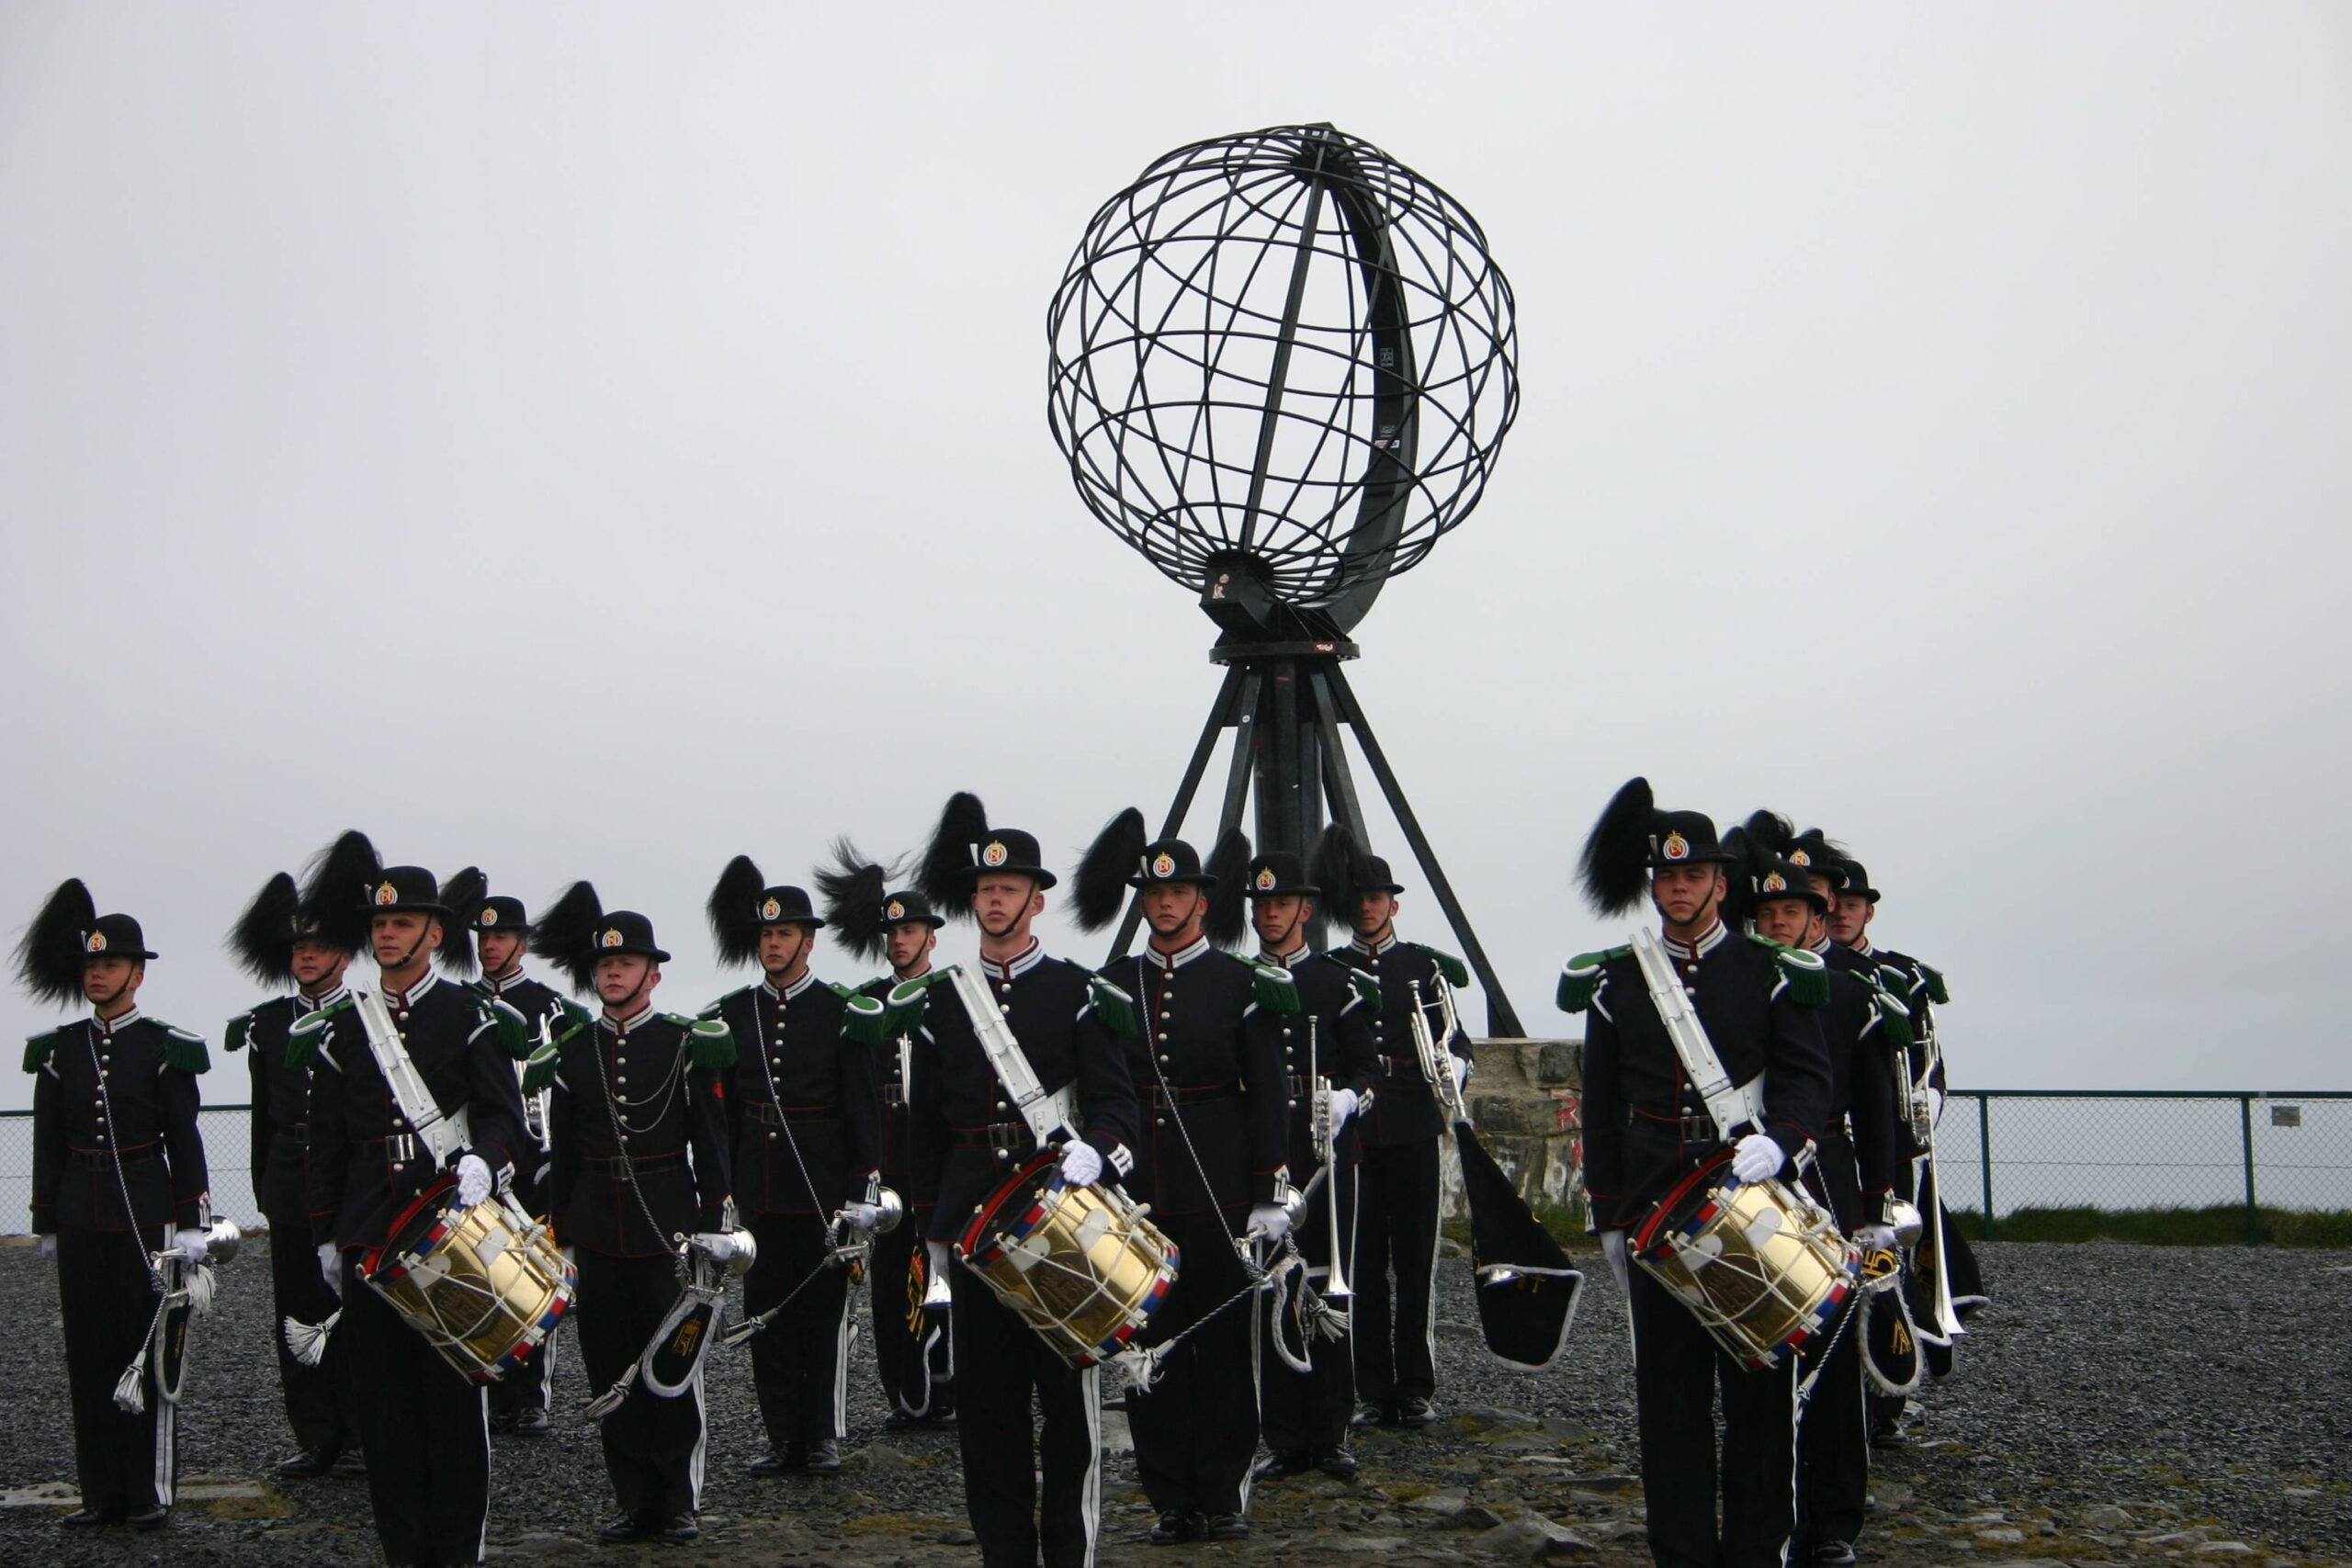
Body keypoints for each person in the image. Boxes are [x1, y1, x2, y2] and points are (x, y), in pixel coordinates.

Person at [1559, 779, 1833, 1568]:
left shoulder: (1771, 970)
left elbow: (1809, 1077)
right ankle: (1680, 1552)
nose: (1679, 889)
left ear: (1719, 881)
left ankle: (1757, 1549)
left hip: (1749, 1197)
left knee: (1758, 1385)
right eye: (1667, 878)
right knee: (1669, 1396)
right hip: (1653, 1203)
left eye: (1693, 876)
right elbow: (1603, 1103)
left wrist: (1782, 1140)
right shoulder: (1617, 981)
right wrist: (1609, 1215)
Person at [908, 795, 1141, 1568]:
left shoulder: (1079, 991)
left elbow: (1116, 1103)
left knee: (1069, 1406)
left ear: (1037, 899)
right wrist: (928, 1228)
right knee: (988, 1406)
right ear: (972, 899)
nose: (996, 899)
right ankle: (1005, 1554)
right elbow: (925, 1124)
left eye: (1011, 888)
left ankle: (1069, 1555)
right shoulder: (941, 999)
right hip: (974, 1222)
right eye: (985, 889)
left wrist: (1100, 1151)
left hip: (1059, 1218)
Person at [294, 834, 531, 1568]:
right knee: (386, 1414)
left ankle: (458, 1552)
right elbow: (326, 1141)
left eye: (402, 923)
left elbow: (505, 1117)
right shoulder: (344, 1026)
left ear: (434, 933)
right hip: (372, 1236)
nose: (387, 933)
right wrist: (328, 1237)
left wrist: (486, 1165)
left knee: (453, 1410)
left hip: (448, 1233)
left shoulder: (468, 1014)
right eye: (379, 924)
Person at [1073, 816, 1288, 1545]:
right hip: (1142, 1195)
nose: (1165, 903)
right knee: (1147, 1344)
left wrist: (1270, 1193)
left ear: (1202, 899)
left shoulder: (1241, 983)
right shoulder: (1112, 984)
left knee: (1224, 1343)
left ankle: (1224, 1491)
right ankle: (1171, 1495)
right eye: (1154, 892)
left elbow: (1267, 1095)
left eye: (1178, 891)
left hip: (1222, 1186)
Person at [530, 887, 735, 1545]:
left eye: (627, 964)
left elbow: (710, 1138)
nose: (613, 973)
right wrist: (559, 1232)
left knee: (671, 1368)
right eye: (605, 965)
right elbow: (564, 1154)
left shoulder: (683, 1043)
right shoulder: (572, 1050)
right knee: (609, 1370)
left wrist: (714, 1220)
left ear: (653, 973)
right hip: (595, 1227)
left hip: (667, 1228)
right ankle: (633, 1499)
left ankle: (678, 1499)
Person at [18, 879, 214, 1532]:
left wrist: (192, 1222)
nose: (98, 974)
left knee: (148, 1352)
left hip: (147, 1212)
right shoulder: (60, 1049)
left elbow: (183, 1140)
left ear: (136, 972)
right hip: (80, 1211)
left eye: (110, 964)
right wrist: (47, 1219)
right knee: (90, 1354)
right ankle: (100, 1491)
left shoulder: (164, 1046)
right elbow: (48, 1140)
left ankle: (149, 1491)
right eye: (91, 965)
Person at [1736, 843, 1900, 1568]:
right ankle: (1765, 1510)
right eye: (1767, 912)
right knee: (1760, 1346)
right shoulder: (1731, 986)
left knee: (1833, 1352)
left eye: (1792, 911)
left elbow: (1876, 1108)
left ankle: (1831, 1520)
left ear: (1817, 916)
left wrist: (1876, 1209)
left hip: (1828, 1174)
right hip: (1748, 1181)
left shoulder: (1852, 993)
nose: (1779, 923)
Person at [704, 857, 883, 1477]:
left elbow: (862, 1107)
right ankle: (783, 1436)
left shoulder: (840, 1010)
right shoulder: (733, 1011)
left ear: (808, 941)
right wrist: (724, 1192)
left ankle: (822, 1434)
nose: (772, 944)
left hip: (822, 1185)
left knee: (824, 1317)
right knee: (765, 1315)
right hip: (760, 1186)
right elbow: (721, 1116)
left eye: (783, 934)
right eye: (764, 935)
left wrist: (864, 1187)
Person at [1314, 828, 1473, 1430]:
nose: (1368, 905)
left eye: (1377, 896)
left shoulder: (1422, 965)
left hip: (1411, 1119)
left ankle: (1415, 1385)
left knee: (1415, 1262)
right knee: (1359, 1264)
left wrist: (1455, 1063)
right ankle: (1370, 1385)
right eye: (1359, 896)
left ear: (1393, 903)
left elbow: (1457, 1041)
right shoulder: (1332, 969)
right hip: (1358, 1130)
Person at [1238, 849, 1383, 1484]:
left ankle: (1331, 1431)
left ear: (1306, 909)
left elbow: (1372, 1071)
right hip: (1265, 1156)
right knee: (1270, 1289)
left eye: (1281, 903)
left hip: (1329, 1157)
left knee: (1331, 1287)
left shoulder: (1336, 984)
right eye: (1261, 903)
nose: (1271, 913)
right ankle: (1286, 1435)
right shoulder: (1237, 984)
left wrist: (1350, 1097)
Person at [225, 868, 364, 1480]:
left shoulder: (366, 1016)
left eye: (318, 946)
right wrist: (266, 1188)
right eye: (299, 948)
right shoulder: (267, 1023)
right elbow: (263, 1117)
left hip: (351, 1188)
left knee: (355, 1313)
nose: (306, 956)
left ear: (342, 952)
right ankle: (315, 1436)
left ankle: (361, 1433)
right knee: (296, 1313)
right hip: (289, 1184)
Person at [820, 850, 957, 1431]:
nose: (900, 940)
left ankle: (949, 1388)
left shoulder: (955, 994)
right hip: (889, 1170)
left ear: (931, 935)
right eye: (892, 932)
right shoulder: (865, 1004)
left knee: (946, 1277)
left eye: (909, 930)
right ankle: (905, 1392)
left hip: (947, 1166)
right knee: (888, 1285)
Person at [448, 875, 575, 1437]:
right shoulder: (462, 1006)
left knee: (532, 1278)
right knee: (479, 1277)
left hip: (535, 1160)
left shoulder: (550, 1009)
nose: (491, 946)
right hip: (477, 1162)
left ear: (522, 944)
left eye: (502, 939)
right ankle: (486, 1389)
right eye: (484, 938)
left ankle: (530, 1397)